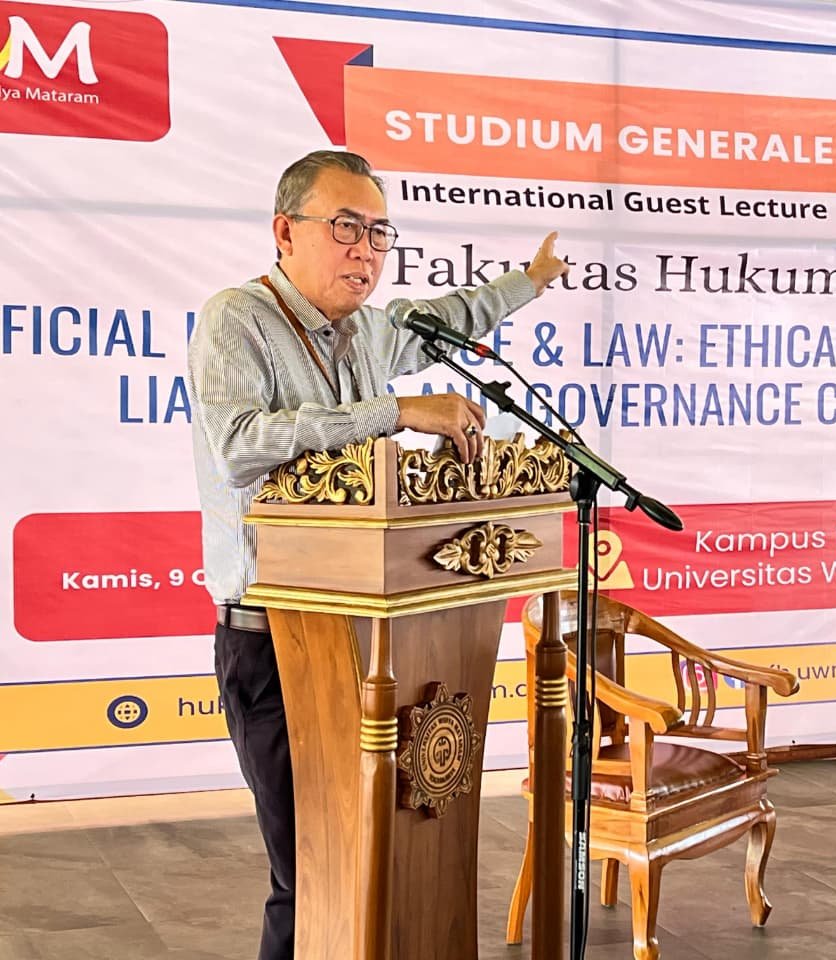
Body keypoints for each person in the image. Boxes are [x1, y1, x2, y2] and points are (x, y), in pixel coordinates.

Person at [186, 149, 569, 960]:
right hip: (277, 637)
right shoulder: (237, 319)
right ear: (285, 231)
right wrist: (394, 411)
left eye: (380, 234)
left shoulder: (370, 330)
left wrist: (530, 281)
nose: (365, 250)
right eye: (346, 227)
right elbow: (238, 446)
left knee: (382, 857)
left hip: (375, 634)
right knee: (313, 868)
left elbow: (449, 316)